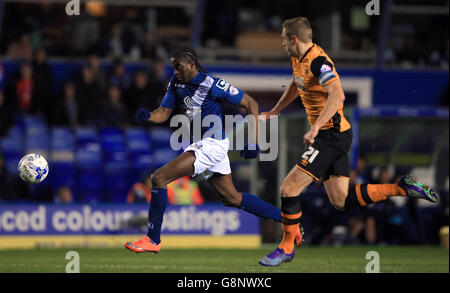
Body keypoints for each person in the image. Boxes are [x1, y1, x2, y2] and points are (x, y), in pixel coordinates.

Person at [258, 17, 439, 266]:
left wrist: (316, 128)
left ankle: (287, 246)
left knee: (289, 188)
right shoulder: (298, 60)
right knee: (340, 200)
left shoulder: (319, 61)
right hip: (334, 135)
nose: (281, 44)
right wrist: (276, 110)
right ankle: (400, 188)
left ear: (294, 39)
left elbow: (337, 95)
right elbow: (297, 84)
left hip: (331, 136)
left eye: (282, 39)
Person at [124, 46, 302, 254]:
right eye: (174, 68)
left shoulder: (213, 84)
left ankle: (152, 240)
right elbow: (163, 112)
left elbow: (250, 103)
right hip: (199, 145)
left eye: (179, 67)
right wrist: (149, 116)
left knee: (158, 178)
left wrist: (253, 142)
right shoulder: (176, 83)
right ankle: (288, 220)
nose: (176, 72)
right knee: (232, 198)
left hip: (212, 145)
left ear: (191, 64)